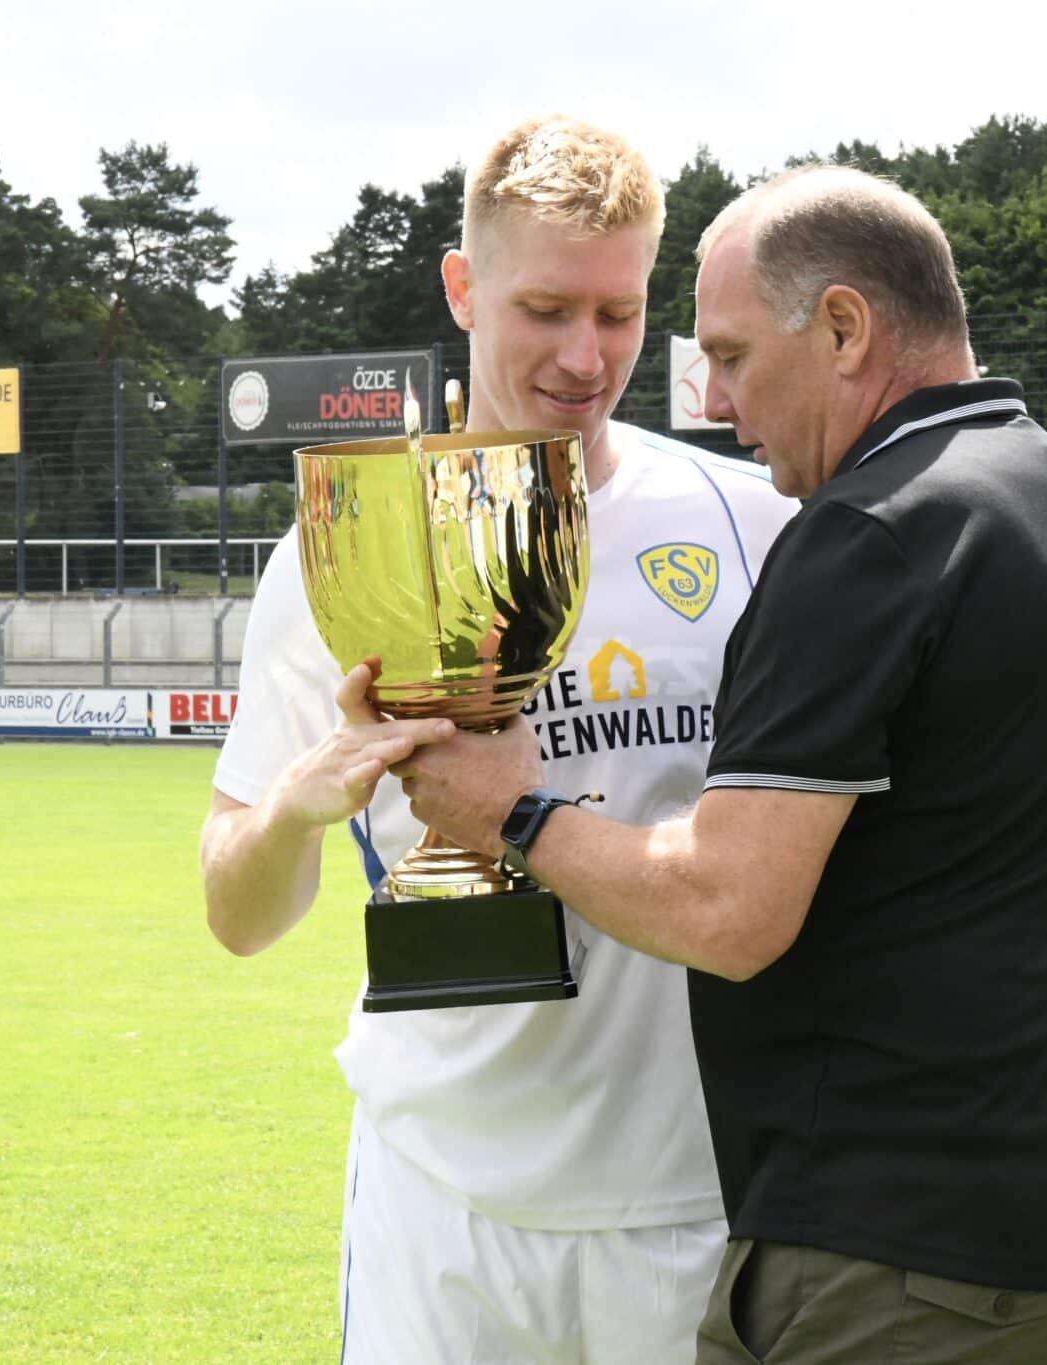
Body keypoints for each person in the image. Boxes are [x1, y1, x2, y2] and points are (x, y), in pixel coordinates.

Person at [398, 164, 1047, 1365]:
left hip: (910, 1258)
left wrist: (510, 809)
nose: (713, 401)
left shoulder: (865, 536)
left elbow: (729, 910)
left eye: (726, 353)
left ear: (841, 327)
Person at [198, 116, 796, 1364]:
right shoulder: (339, 551)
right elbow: (238, 912)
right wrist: (301, 806)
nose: (587, 356)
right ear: (463, 287)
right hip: (442, 1204)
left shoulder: (749, 524)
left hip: (692, 1201)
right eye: (545, 309)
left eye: (619, 313)